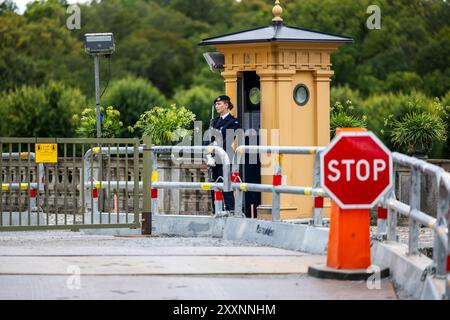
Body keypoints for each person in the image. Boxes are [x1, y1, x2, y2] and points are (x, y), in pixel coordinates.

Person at [204, 95, 240, 213]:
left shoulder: (233, 121)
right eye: (216, 104)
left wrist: (215, 150)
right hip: (213, 159)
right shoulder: (214, 122)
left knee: (226, 187)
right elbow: (207, 139)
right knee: (215, 187)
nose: (217, 106)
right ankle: (216, 212)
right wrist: (208, 155)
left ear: (226, 105)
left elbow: (228, 140)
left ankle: (231, 212)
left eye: (219, 104)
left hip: (225, 158)